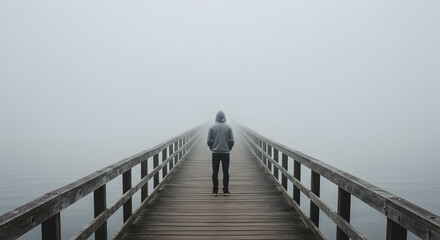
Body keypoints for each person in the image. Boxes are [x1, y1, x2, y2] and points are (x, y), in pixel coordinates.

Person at [207, 111, 234, 196]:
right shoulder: (228, 127)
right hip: (226, 153)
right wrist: (229, 148)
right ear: (224, 117)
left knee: (215, 172)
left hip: (215, 152)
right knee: (225, 172)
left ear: (216, 117)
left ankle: (215, 190)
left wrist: (212, 147)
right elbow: (232, 141)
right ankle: (225, 191)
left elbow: (208, 141)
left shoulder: (212, 127)